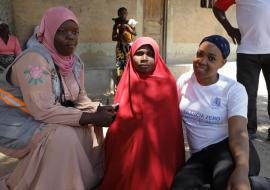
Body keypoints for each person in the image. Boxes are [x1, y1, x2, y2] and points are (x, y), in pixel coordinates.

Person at [0, 6, 117, 190]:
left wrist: (98, 109)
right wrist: (90, 117)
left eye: (75, 32)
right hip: (12, 121)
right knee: (62, 136)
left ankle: (77, 182)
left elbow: (80, 100)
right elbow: (43, 109)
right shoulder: (34, 60)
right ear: (48, 32)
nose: (70, 36)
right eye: (63, 31)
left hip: (39, 118)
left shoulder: (75, 62)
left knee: (90, 129)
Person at [172, 35, 270, 190]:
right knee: (181, 186)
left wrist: (241, 170)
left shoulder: (233, 90)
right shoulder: (184, 81)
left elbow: (238, 132)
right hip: (200, 156)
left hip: (229, 149)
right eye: (200, 54)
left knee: (225, 183)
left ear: (222, 63)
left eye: (211, 58)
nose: (202, 61)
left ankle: (262, 185)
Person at [97, 37, 185, 190]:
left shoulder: (167, 82)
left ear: (157, 56)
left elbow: (171, 127)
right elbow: (119, 124)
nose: (144, 59)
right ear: (131, 56)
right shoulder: (127, 81)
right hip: (130, 152)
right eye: (139, 53)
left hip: (159, 150)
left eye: (150, 54)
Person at [212, 0, 270, 141]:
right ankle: (248, 130)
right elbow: (218, 8)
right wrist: (230, 29)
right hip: (247, 52)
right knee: (247, 94)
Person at [112, 7, 137, 84]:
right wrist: (120, 36)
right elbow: (113, 38)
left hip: (129, 48)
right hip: (120, 49)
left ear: (127, 14)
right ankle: (120, 87)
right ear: (118, 14)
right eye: (121, 13)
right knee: (120, 68)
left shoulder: (130, 23)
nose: (123, 15)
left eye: (125, 13)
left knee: (130, 67)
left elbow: (135, 33)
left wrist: (127, 27)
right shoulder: (116, 25)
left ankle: (129, 85)